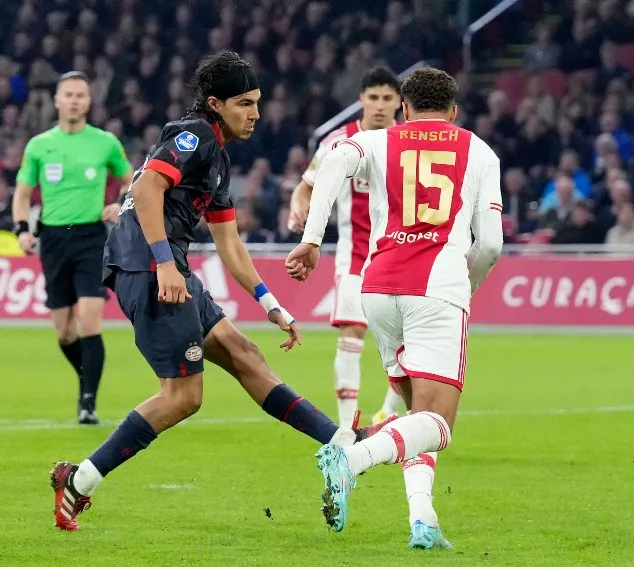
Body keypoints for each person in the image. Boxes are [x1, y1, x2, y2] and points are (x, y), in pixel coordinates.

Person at [49, 51, 387, 533]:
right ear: (215, 103)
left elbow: (228, 241)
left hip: (166, 267)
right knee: (184, 396)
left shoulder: (218, 157)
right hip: (148, 267)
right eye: (245, 103)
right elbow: (146, 191)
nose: (255, 113)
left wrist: (270, 304)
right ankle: (79, 481)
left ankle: (342, 442)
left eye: (257, 103)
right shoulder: (195, 134)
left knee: (244, 353)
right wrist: (164, 264)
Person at [286, 67, 504, 549]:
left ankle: (423, 521)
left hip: (378, 286)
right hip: (437, 288)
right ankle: (353, 457)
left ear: (404, 108)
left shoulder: (379, 141)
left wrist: (311, 239)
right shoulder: (479, 151)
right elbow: (489, 244)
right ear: (454, 111)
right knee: (439, 425)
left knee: (414, 420)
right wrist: (465, 284)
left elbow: (332, 164)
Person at [12, 71, 134, 425]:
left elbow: (133, 180)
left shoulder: (105, 142)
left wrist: (121, 203)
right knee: (65, 331)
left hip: (91, 238)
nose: (75, 100)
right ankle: (86, 375)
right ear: (57, 100)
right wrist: (22, 229)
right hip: (52, 239)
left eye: (81, 95)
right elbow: (22, 194)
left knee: (90, 319)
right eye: (69, 94)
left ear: (89, 101)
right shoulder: (39, 145)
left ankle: (88, 402)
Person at [289, 67, 406, 429]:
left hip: (402, 254)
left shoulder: (407, 140)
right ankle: (347, 428)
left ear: (399, 102)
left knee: (408, 340)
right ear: (361, 100)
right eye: (373, 97)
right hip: (355, 257)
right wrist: (299, 206)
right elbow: (306, 185)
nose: (380, 106)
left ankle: (388, 411)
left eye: (388, 98)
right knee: (352, 333)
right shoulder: (338, 141)